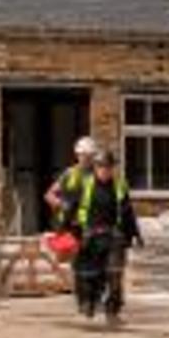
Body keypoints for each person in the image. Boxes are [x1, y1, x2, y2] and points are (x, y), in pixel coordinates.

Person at [44, 136, 143, 326]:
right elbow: (52, 195)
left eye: (89, 156)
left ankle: (111, 310)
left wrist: (135, 234)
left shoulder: (118, 184)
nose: (86, 160)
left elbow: (127, 210)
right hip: (83, 231)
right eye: (83, 156)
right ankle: (87, 302)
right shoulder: (72, 175)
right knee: (86, 273)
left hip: (111, 234)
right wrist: (63, 227)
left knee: (114, 273)